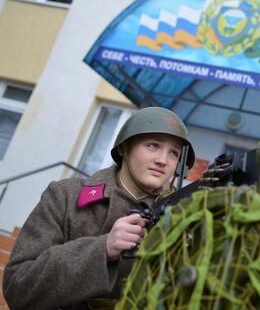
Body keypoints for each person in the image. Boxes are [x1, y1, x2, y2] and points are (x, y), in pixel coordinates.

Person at [3, 106, 195, 309]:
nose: (163, 160)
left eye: (174, 153)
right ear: (124, 147)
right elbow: (18, 287)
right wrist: (101, 249)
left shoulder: (181, 218)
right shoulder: (65, 196)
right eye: (152, 145)